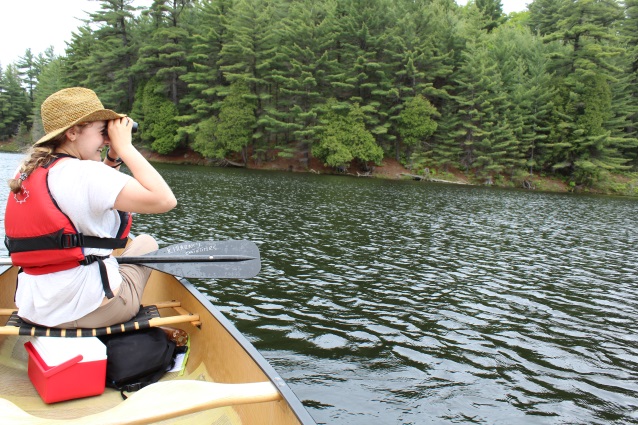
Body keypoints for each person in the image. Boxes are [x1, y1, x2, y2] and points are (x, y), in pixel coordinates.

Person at [4, 87, 177, 329]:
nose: (107, 140)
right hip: (91, 311)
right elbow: (165, 201)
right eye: (102, 132)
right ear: (73, 132)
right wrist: (126, 148)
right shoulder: (85, 173)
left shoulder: (28, 170)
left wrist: (112, 157)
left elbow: (96, 192)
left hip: (34, 309)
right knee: (146, 242)